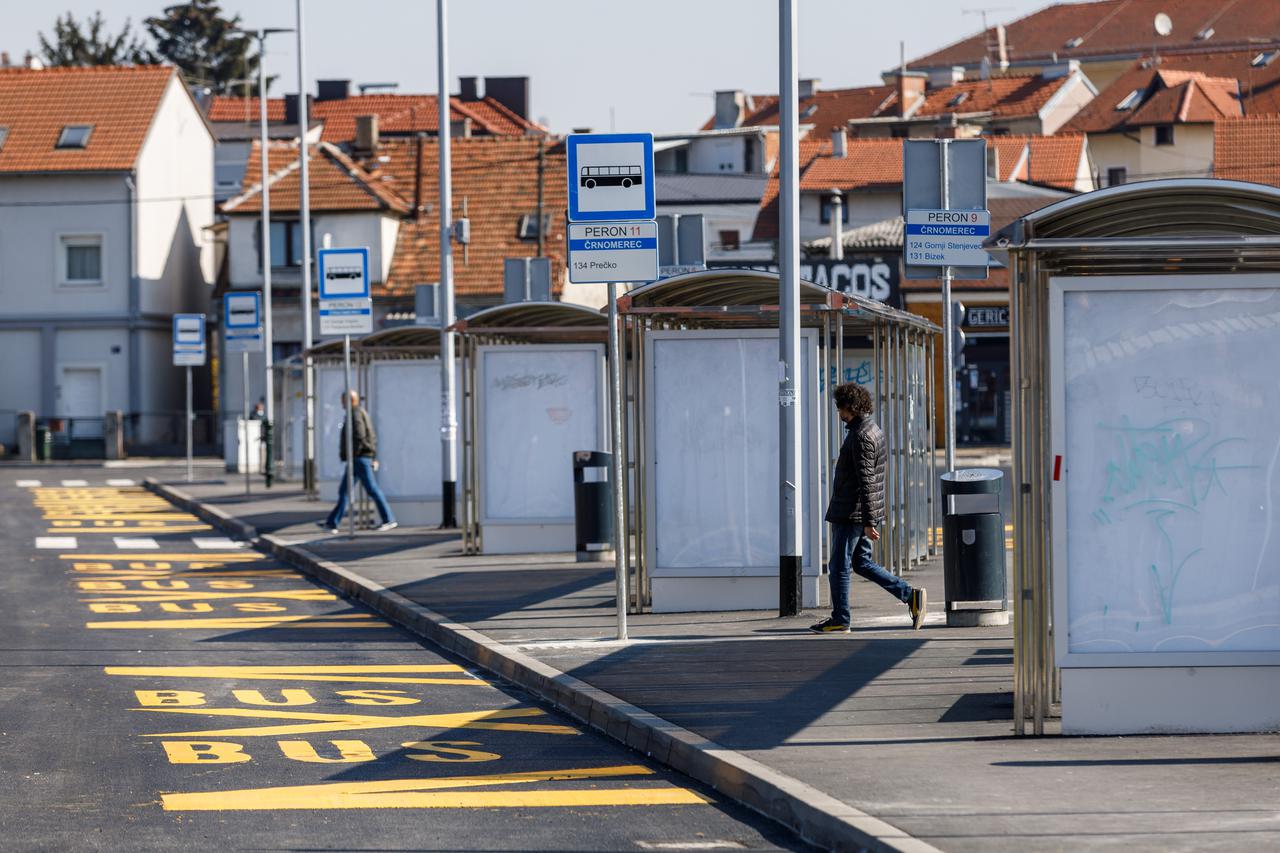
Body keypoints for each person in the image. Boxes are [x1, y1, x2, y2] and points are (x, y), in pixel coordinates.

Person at [810, 382, 926, 633]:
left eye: (840, 407)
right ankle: (910, 596)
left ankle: (841, 619)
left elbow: (867, 480)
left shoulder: (861, 436)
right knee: (861, 562)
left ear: (850, 407)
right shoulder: (870, 430)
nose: (839, 413)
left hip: (851, 511)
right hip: (856, 510)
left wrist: (868, 521)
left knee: (839, 566)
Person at [317, 390, 397, 533]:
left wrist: (357, 453)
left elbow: (359, 435)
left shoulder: (355, 414)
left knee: (370, 489)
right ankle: (332, 523)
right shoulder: (358, 412)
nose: (341, 403)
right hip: (360, 457)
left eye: (343, 400)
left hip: (359, 458)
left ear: (350, 400)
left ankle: (388, 519)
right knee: (345, 491)